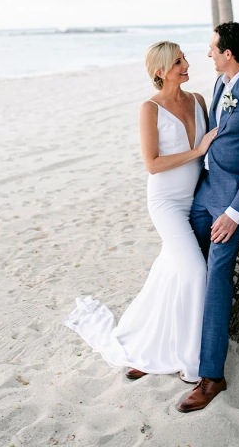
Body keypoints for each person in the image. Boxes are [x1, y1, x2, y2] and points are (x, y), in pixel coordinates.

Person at [64, 41, 217, 382]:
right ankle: (193, 363)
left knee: (170, 271)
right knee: (194, 271)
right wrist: (198, 150)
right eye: (178, 61)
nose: (186, 64)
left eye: (185, 58)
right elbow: (153, 164)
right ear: (160, 71)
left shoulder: (198, 101)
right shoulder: (149, 109)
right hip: (165, 203)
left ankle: (145, 342)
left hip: (196, 198)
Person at [177, 22, 239, 413]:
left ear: (228, 54)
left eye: (212, 48)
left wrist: (236, 213)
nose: (207, 54)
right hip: (205, 190)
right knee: (182, 260)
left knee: (217, 275)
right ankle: (172, 346)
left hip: (231, 202)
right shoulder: (223, 83)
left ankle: (211, 376)